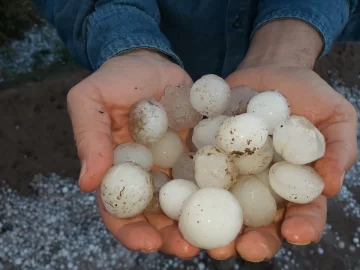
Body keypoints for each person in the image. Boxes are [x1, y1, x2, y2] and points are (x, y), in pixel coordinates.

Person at [34, 0, 359, 263]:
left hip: (236, 73)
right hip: (174, 49)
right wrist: (126, 40)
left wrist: (289, 40)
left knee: (251, 241)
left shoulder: (251, 145)